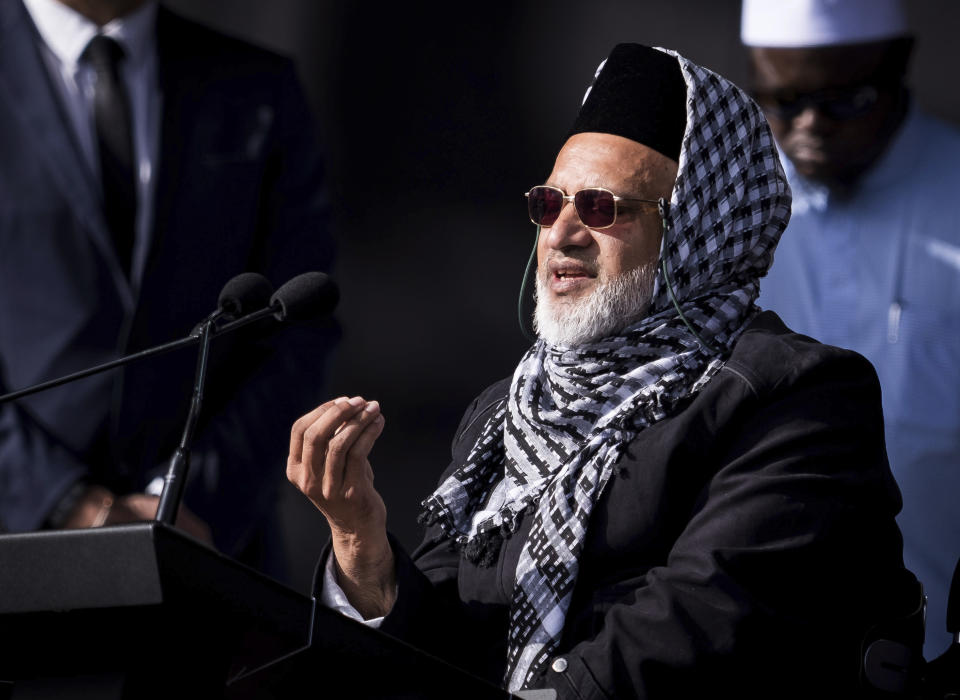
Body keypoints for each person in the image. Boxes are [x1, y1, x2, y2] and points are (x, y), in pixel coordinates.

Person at [287, 44, 920, 697]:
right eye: (547, 204)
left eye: (599, 207)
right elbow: (445, 645)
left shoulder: (794, 395)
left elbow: (698, 631)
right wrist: (359, 540)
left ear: (694, 230)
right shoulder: (510, 410)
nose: (561, 233)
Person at [0, 0, 335, 576]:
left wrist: (182, 498)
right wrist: (70, 503)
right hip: (16, 555)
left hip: (206, 570)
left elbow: (297, 324)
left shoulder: (256, 87)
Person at [742, 0, 960, 657]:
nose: (809, 125)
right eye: (782, 100)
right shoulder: (727, 213)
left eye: (844, 100)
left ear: (898, 66)